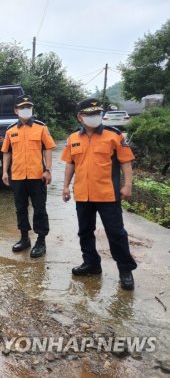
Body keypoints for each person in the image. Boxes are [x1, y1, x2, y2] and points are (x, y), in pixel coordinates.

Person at [61, 98, 137, 290]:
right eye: (89, 114)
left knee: (116, 233)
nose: (95, 117)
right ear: (80, 117)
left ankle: (125, 270)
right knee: (85, 232)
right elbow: (70, 164)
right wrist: (65, 186)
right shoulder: (72, 139)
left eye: (97, 113)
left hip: (108, 194)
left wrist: (127, 185)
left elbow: (126, 162)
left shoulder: (114, 135)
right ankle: (91, 264)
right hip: (83, 195)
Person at [1, 94, 56, 257]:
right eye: (22, 108)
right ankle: (24, 238)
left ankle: (41, 241)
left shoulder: (41, 127)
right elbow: (6, 152)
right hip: (17, 176)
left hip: (37, 175)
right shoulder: (10, 130)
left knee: (39, 208)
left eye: (28, 107)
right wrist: (5, 171)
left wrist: (48, 169)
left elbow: (48, 148)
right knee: (20, 208)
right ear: (16, 110)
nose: (26, 110)